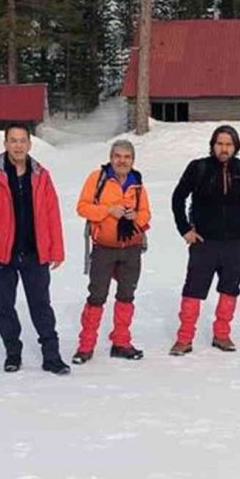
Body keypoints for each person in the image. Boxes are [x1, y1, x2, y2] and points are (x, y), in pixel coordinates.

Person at [0, 124, 69, 375]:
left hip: (35, 252)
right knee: (6, 306)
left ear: (29, 144)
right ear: (5, 144)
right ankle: (12, 353)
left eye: (22, 140)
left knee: (41, 305)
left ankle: (52, 355)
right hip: (1, 253)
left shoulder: (41, 175)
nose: (18, 146)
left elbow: (52, 213)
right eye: (13, 141)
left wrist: (56, 248)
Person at [169, 124, 240, 355]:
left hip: (234, 242)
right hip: (203, 242)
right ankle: (184, 338)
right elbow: (178, 197)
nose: (224, 148)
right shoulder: (198, 167)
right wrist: (185, 229)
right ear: (213, 145)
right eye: (220, 143)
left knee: (230, 288)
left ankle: (222, 335)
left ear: (235, 147)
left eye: (229, 144)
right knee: (193, 289)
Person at [72, 139, 151, 363]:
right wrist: (109, 210)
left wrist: (136, 217)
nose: (122, 161)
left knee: (126, 295)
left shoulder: (137, 183)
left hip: (132, 248)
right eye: (118, 156)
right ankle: (85, 346)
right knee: (97, 297)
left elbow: (146, 213)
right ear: (110, 157)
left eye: (126, 157)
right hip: (104, 248)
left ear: (133, 160)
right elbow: (82, 207)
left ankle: (121, 342)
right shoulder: (97, 179)